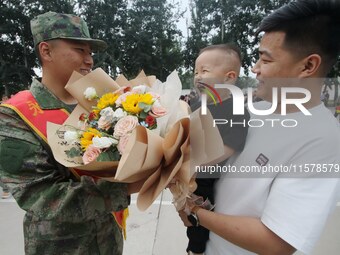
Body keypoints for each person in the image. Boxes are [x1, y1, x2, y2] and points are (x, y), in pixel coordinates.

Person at [179, 0, 340, 254]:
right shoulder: (251, 108)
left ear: (308, 66)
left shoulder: (323, 141)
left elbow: (276, 242)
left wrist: (195, 211)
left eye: (265, 60)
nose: (254, 69)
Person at [0, 11, 138, 255]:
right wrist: (125, 188)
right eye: (79, 50)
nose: (89, 60)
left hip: (109, 240)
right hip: (60, 246)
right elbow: (41, 195)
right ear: (46, 51)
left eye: (90, 52)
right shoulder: (14, 115)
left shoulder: (99, 104)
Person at [186, 44, 250, 255]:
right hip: (187, 171)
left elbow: (229, 147)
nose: (197, 76)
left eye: (204, 71)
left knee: (200, 220)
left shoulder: (236, 109)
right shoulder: (197, 104)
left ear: (229, 77)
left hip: (207, 175)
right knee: (186, 215)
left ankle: (195, 250)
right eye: (196, 71)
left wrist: (195, 164)